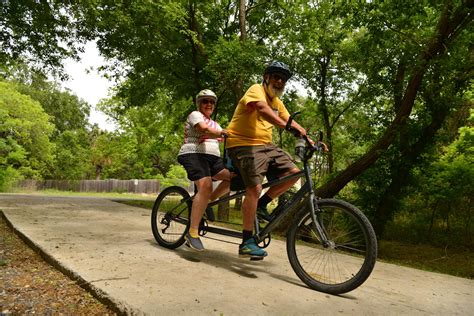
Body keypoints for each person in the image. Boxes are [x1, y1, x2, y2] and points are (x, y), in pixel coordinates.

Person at [226, 61, 316, 259]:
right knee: (254, 188)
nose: (279, 81)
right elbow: (261, 109)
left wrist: (309, 139)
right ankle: (247, 242)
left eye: (283, 79)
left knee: (294, 174)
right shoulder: (256, 89)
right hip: (242, 144)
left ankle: (261, 205)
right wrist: (289, 128)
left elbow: (290, 121)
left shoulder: (277, 102)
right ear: (266, 77)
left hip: (266, 146)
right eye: (276, 76)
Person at [177, 89, 231, 251]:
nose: (209, 104)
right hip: (193, 154)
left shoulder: (216, 124)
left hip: (212, 158)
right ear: (199, 103)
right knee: (206, 185)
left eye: (211, 102)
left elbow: (224, 136)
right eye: (205, 101)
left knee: (235, 177)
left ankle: (208, 201)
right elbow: (202, 129)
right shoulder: (195, 115)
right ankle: (192, 233)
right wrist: (221, 133)